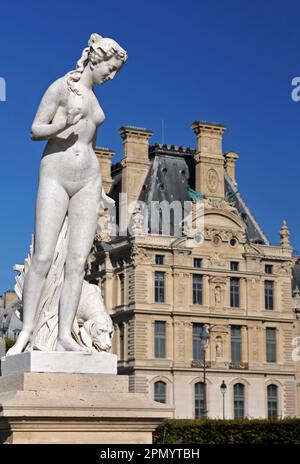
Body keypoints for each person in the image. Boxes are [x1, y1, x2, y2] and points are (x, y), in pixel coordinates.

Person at [7, 33, 127, 355]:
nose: (111, 76)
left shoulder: (94, 98)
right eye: (110, 68)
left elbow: (88, 142)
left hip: (89, 179)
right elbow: (34, 129)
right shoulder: (62, 87)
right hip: (56, 174)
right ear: (97, 59)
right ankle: (27, 333)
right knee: (44, 256)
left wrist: (102, 190)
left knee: (77, 262)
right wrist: (61, 126)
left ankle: (63, 334)